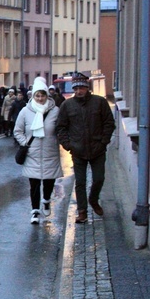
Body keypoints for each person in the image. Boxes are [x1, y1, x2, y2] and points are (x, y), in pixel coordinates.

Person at [56, 73, 115, 224]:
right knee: (80, 182)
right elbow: (60, 127)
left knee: (99, 178)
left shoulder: (99, 102)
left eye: (81, 88)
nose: (79, 91)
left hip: (98, 149)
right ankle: (82, 211)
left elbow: (109, 123)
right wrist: (68, 145)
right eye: (76, 88)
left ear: (87, 88)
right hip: (78, 150)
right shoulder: (67, 105)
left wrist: (103, 142)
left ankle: (93, 199)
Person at [13, 85, 63, 224]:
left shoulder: (55, 111)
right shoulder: (25, 111)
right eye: (37, 96)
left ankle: (46, 200)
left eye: (42, 95)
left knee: (49, 181)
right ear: (33, 96)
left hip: (50, 152)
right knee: (34, 183)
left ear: (47, 96)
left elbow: (61, 129)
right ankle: (35, 211)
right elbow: (17, 130)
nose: (40, 99)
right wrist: (25, 143)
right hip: (32, 152)